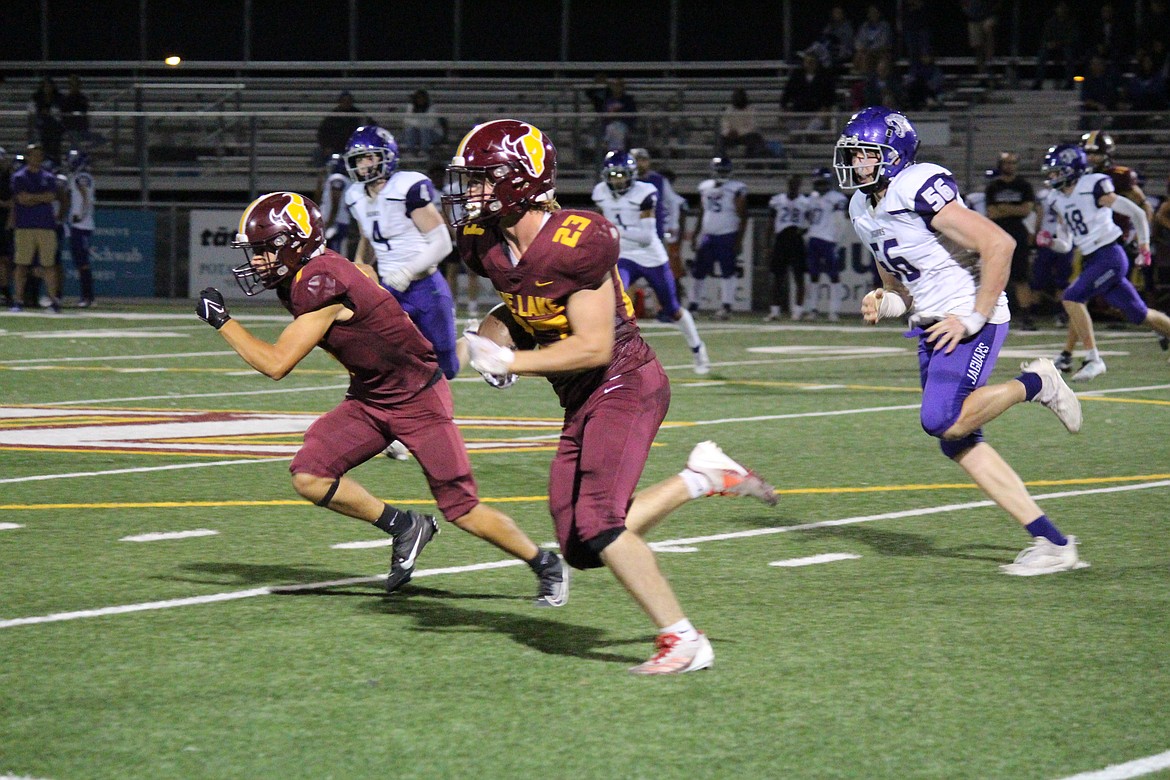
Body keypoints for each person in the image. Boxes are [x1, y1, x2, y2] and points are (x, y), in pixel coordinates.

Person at [444, 119, 778, 673]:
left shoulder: (578, 238)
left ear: (520, 181)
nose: (471, 192)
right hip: (579, 399)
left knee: (599, 521)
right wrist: (493, 334)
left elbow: (594, 347)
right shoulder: (485, 245)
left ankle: (683, 639)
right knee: (580, 547)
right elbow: (518, 302)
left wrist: (511, 361)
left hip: (626, 381)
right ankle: (705, 477)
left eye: (483, 179)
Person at [195, 191, 569, 604]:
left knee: (461, 508)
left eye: (265, 250)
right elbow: (364, 272)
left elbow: (276, 364)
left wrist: (223, 322)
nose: (258, 261)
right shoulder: (314, 273)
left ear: (293, 244)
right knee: (310, 474)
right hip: (371, 397)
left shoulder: (320, 283)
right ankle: (405, 526)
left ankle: (545, 564)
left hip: (418, 399)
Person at [837, 105, 1086, 575]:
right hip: (933, 321)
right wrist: (884, 302)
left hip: (971, 313)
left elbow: (999, 244)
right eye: (854, 153)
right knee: (957, 440)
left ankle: (1037, 383)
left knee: (941, 419)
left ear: (892, 156)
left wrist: (974, 317)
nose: (856, 163)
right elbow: (899, 290)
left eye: (866, 154)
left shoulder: (916, 186)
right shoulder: (861, 208)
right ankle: (1053, 543)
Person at [1041, 144, 1170, 380]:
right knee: (1139, 315)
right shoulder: (1057, 198)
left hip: (1110, 254)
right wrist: (1050, 243)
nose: (1052, 176)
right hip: (1093, 259)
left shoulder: (1092, 185)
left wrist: (1143, 246)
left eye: (1057, 171)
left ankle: (1093, 359)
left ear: (1072, 170)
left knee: (1072, 297)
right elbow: (1066, 244)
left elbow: (1137, 213)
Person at [342, 125, 460, 379]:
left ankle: (471, 342)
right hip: (390, 291)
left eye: (369, 157)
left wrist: (407, 271)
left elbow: (442, 242)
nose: (363, 164)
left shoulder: (406, 187)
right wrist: (360, 265)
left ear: (387, 157)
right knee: (383, 358)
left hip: (426, 287)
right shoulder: (354, 196)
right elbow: (369, 236)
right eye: (358, 159)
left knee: (446, 368)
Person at [592, 151, 710, 374]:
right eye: (613, 175)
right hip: (623, 256)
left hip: (650, 255)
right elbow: (601, 220)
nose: (617, 180)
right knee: (611, 301)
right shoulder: (600, 192)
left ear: (632, 174)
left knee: (672, 309)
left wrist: (612, 230)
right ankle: (611, 356)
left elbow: (645, 236)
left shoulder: (645, 192)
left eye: (621, 174)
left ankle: (697, 348)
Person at [984, 151, 1037, 330]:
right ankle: (991, 314)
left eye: (1013, 163)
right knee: (994, 276)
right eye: (1007, 163)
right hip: (997, 233)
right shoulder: (993, 186)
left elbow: (1027, 210)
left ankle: (1026, 317)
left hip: (1017, 234)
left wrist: (1003, 209)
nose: (1010, 166)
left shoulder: (1023, 185)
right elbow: (992, 212)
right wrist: (1014, 209)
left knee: (1021, 277)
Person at [691, 157, 748, 320]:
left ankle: (726, 307)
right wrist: (696, 233)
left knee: (727, 272)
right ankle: (694, 305)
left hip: (727, 234)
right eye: (719, 170)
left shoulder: (736, 188)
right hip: (708, 234)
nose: (722, 174)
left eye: (724, 170)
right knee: (698, 271)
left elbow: (743, 215)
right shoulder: (704, 187)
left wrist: (739, 239)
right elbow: (702, 211)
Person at [10, 144, 65, 313]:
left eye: (39, 155)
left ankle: (53, 301)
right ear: (28, 156)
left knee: (49, 264)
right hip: (25, 225)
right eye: (34, 155)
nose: (37, 158)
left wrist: (33, 198)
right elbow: (21, 199)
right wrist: (40, 198)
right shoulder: (19, 176)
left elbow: (51, 197)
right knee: (21, 264)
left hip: (46, 225)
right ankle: (18, 300)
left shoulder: (48, 177)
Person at [802, 168, 849, 321]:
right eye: (818, 183)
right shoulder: (812, 198)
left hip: (829, 240)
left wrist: (837, 241)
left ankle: (834, 311)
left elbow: (841, 223)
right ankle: (813, 309)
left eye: (823, 183)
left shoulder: (837, 198)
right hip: (814, 238)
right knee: (813, 275)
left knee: (833, 276)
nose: (820, 186)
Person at [765, 175, 809, 322]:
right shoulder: (777, 200)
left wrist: (804, 230)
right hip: (781, 239)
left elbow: (810, 222)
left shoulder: (805, 202)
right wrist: (767, 244)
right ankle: (774, 311)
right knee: (777, 277)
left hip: (796, 239)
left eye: (795, 184)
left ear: (799, 185)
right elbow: (771, 223)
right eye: (791, 183)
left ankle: (798, 311)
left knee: (799, 277)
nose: (793, 186)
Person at [65, 149, 95, 308]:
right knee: (80, 262)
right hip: (78, 225)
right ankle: (86, 296)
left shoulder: (81, 177)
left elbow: (85, 197)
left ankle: (88, 297)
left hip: (81, 225)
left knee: (83, 263)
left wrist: (81, 216)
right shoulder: (78, 176)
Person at [1033, 2, 1080, 90]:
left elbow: (1073, 38)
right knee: (1042, 54)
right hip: (1053, 49)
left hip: (1065, 47)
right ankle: (1038, 82)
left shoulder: (1071, 22)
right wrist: (1049, 44)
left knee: (1069, 54)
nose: (1062, 10)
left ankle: (1070, 82)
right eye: (1060, 8)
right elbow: (1045, 37)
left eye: (1064, 8)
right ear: (1056, 10)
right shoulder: (1050, 22)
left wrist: (1059, 43)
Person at [314, 91, 367, 166]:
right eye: (343, 101)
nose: (346, 103)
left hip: (353, 147)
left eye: (348, 101)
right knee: (318, 152)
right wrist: (326, 146)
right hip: (335, 147)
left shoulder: (358, 115)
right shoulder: (332, 116)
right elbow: (322, 132)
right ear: (339, 102)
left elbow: (368, 128)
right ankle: (320, 175)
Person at [717, 89, 768, 159]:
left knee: (756, 138)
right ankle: (723, 165)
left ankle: (750, 163)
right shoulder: (729, 110)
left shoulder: (751, 110)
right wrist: (728, 132)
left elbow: (752, 127)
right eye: (737, 97)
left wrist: (738, 132)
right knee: (720, 140)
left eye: (740, 97)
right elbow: (725, 125)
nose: (739, 99)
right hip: (731, 137)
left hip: (746, 136)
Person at [317, 154, 352, 256]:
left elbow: (335, 202)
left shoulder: (337, 179)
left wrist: (329, 223)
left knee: (336, 255)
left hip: (336, 223)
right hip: (336, 221)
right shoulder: (337, 179)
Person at [401, 88, 446, 159]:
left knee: (424, 129)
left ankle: (424, 151)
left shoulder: (432, 108)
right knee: (409, 129)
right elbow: (406, 121)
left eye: (422, 98)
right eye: (418, 98)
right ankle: (410, 151)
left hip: (434, 134)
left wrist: (417, 125)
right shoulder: (411, 107)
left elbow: (431, 123)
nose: (420, 100)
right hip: (417, 133)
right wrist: (419, 125)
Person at [28, 76, 64, 164]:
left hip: (55, 130)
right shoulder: (37, 97)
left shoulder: (58, 97)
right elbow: (32, 112)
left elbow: (60, 113)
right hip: (42, 129)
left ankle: (56, 164)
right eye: (46, 86)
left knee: (55, 150)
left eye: (49, 86)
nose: (48, 88)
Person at [600, 78, 637, 152]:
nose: (617, 88)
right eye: (615, 86)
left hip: (624, 124)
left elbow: (632, 114)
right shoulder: (608, 100)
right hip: (610, 125)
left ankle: (618, 152)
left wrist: (618, 116)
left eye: (619, 86)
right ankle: (611, 152)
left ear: (623, 87)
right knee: (610, 129)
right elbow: (604, 115)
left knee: (617, 129)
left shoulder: (628, 100)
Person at [59, 74, 92, 150]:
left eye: (76, 84)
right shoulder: (65, 99)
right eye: (72, 85)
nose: (74, 87)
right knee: (74, 138)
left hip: (82, 128)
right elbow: (64, 114)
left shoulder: (83, 98)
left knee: (100, 139)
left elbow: (84, 112)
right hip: (70, 128)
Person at [0, 148, 13, 308]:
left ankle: (6, 292)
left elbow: (14, 201)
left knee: (4, 260)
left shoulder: (9, 178)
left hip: (4, 223)